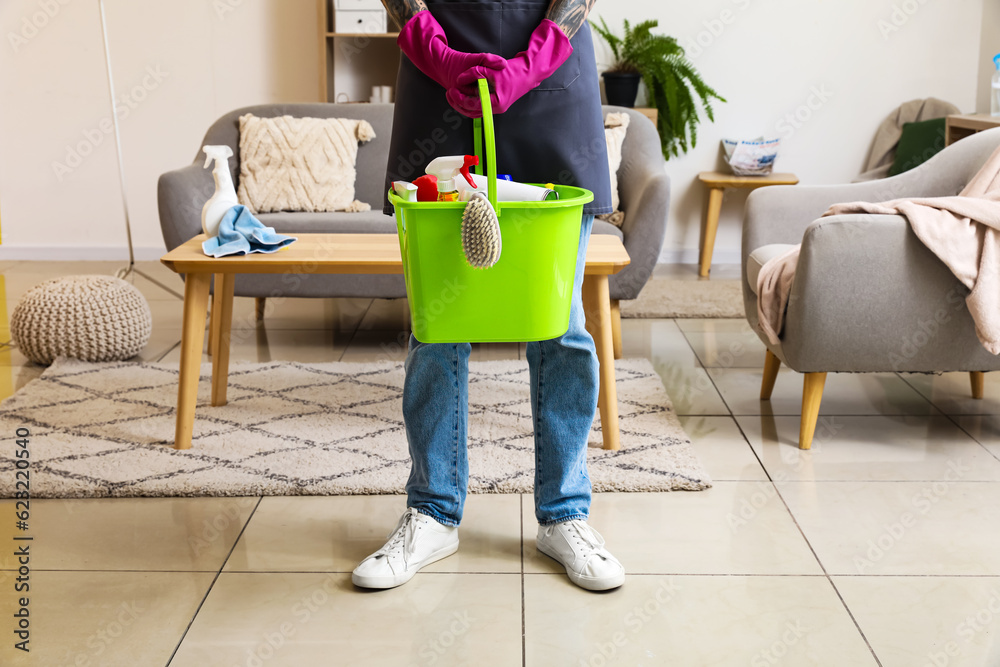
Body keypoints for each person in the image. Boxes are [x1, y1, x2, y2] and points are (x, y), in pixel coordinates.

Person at [353, 0, 623, 592]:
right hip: (439, 88)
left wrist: (532, 61)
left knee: (561, 323)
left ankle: (565, 514)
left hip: (552, 85)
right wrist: (434, 49)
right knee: (438, 322)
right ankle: (432, 510)